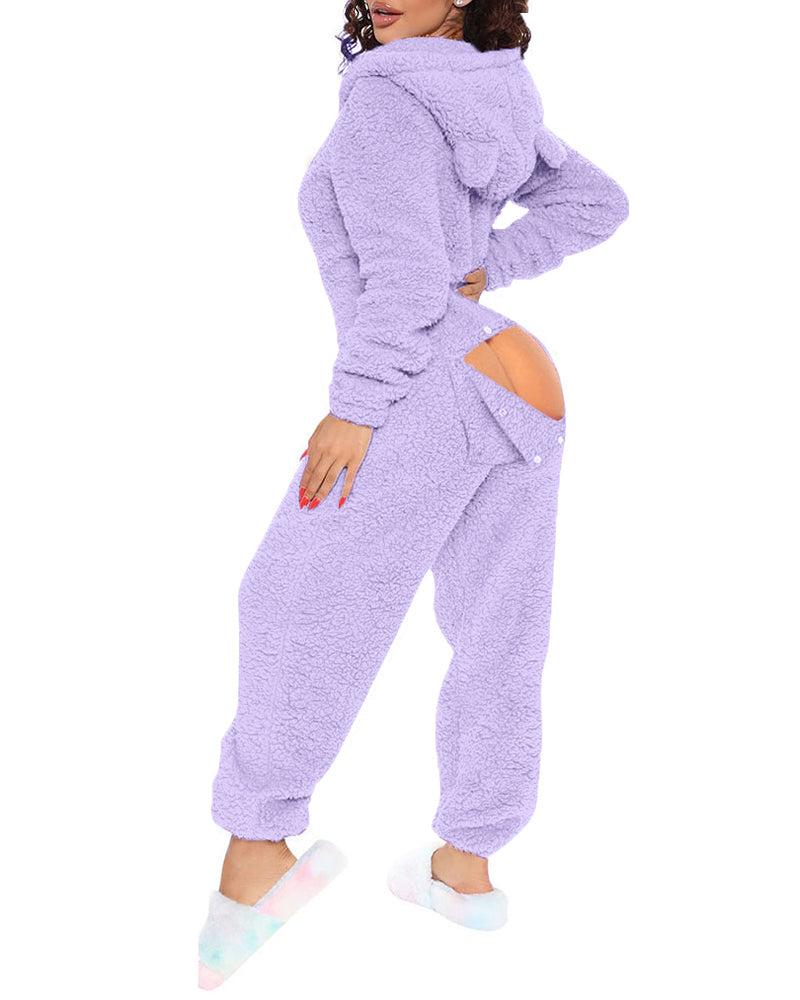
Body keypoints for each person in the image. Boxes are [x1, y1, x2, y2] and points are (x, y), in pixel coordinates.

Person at [198, 0, 629, 986]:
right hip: (521, 384)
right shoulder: (495, 91)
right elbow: (595, 202)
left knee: (293, 599)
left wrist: (356, 408)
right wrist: (481, 270)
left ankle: (258, 846)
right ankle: (465, 866)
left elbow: (400, 282)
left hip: (429, 379)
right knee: (498, 624)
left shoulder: (386, 104)